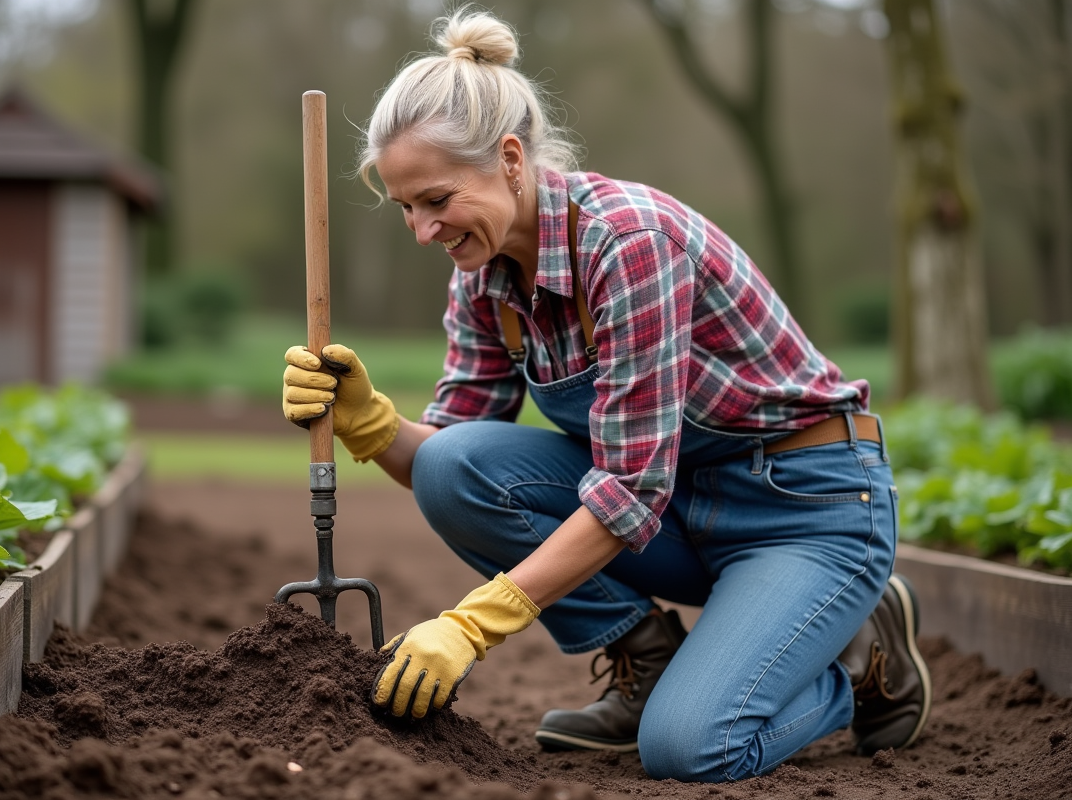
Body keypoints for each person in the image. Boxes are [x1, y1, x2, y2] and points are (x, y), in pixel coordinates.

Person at [281, 5, 931, 783]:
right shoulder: (483, 277)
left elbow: (628, 489)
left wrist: (470, 627)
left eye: (438, 199)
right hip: (682, 512)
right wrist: (370, 424)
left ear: (512, 159)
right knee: (452, 465)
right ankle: (647, 662)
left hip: (804, 509)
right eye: (407, 208)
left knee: (690, 748)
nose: (423, 231)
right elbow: (449, 465)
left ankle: (855, 661)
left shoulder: (629, 246)